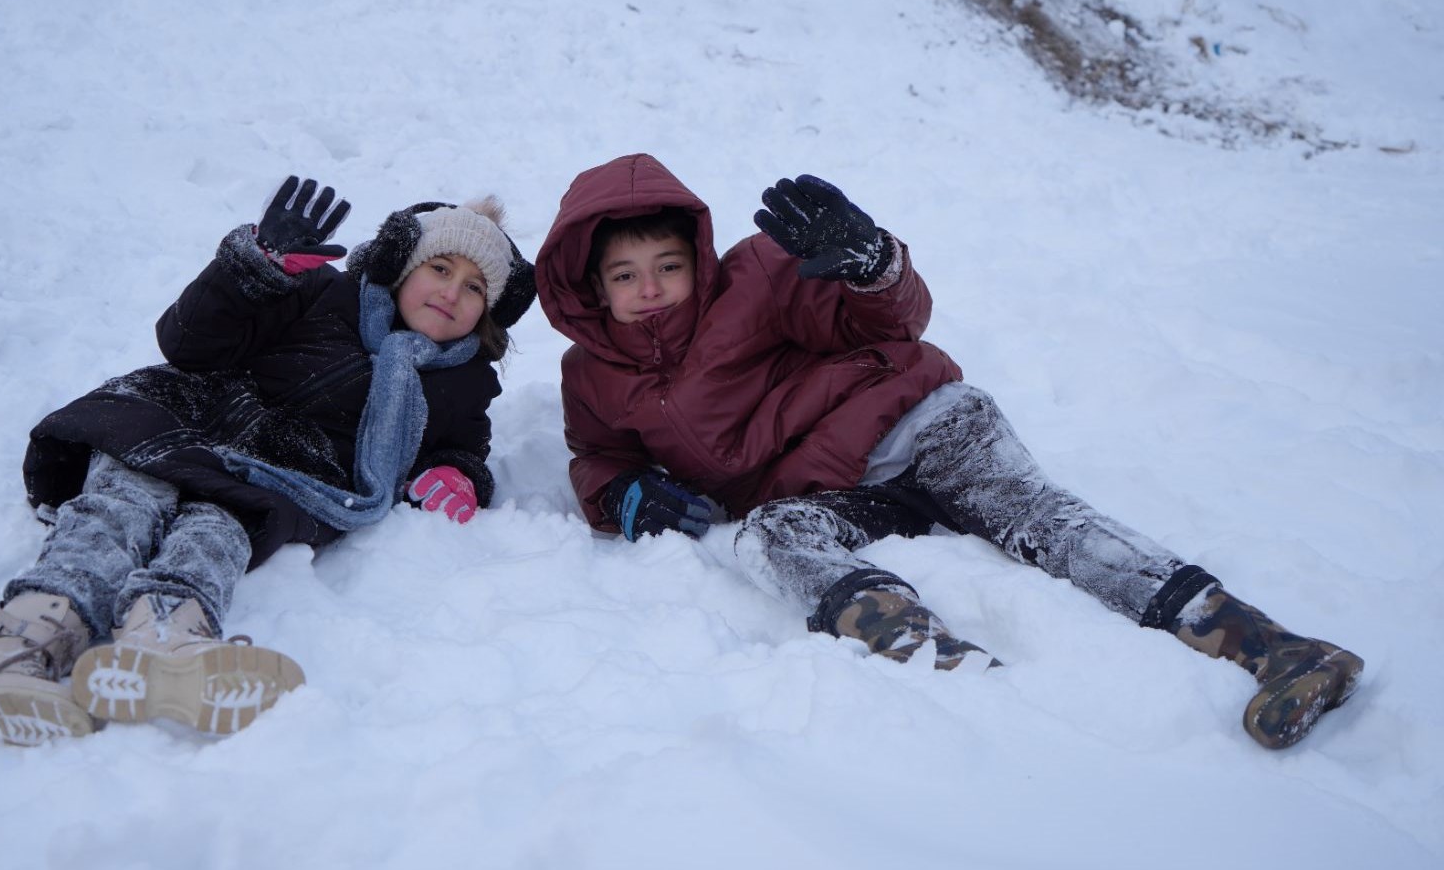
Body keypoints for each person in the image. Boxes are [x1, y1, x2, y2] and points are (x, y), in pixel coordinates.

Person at [533, 153, 1362, 750]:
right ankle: (946, 670)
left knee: (1046, 524)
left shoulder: (758, 278)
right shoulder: (593, 375)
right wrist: (626, 494)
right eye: (627, 274)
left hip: (921, 422)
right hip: (833, 490)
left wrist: (873, 268)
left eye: (669, 266)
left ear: (697, 258)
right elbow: (595, 457)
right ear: (590, 289)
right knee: (771, 537)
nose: (650, 288)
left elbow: (890, 320)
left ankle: (1273, 647)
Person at [0, 176, 536, 745]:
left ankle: (164, 639)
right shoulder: (318, 291)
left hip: (279, 471)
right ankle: (20, 642)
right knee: (122, 505)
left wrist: (458, 474)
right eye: (439, 267)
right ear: (399, 266)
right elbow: (189, 341)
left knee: (218, 530)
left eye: (475, 285)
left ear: (489, 312)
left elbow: (462, 446)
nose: (452, 292)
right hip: (187, 415)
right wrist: (256, 269)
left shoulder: (462, 382)